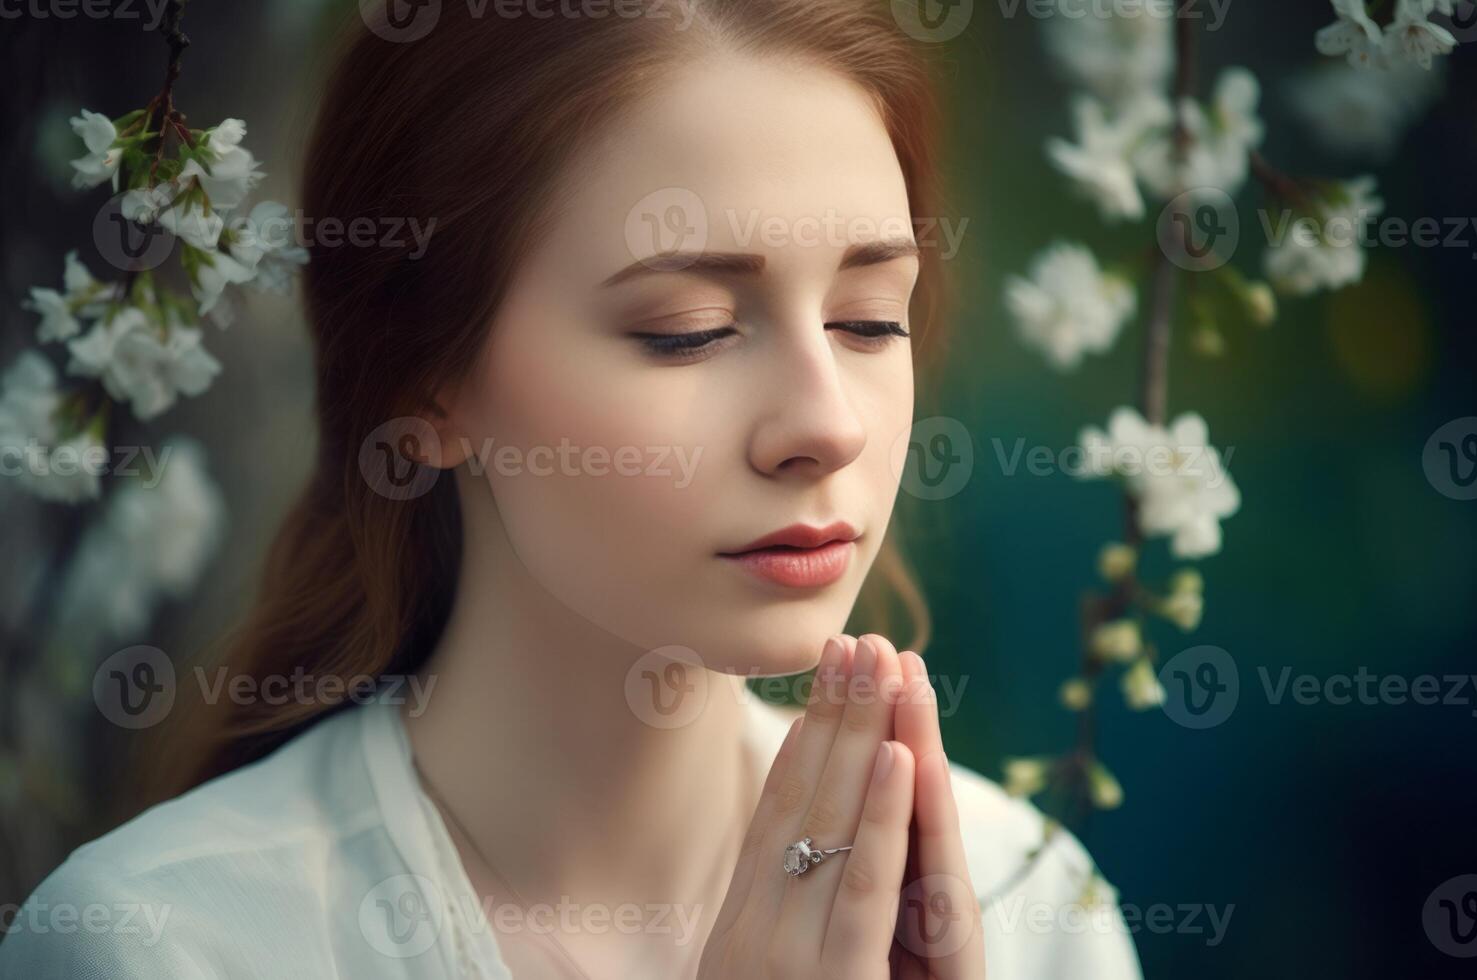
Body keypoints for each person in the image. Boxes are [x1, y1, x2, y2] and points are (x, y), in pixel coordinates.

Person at [0, 1, 1144, 976]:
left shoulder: (1027, 909)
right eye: (684, 331)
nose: (827, 423)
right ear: (428, 379)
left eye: (868, 319)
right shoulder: (163, 943)